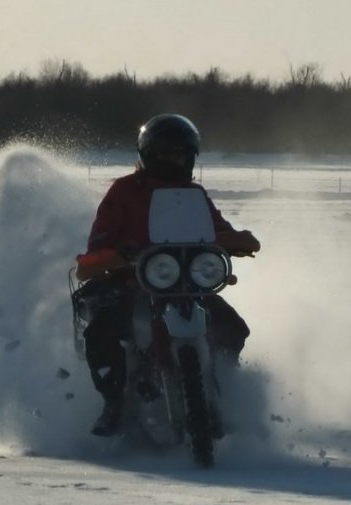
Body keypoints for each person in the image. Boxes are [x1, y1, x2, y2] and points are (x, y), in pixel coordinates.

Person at [75, 114, 261, 436]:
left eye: (178, 153)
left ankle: (219, 393)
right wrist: (116, 255)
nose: (171, 160)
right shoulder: (123, 192)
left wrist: (238, 240)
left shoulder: (194, 195)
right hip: (132, 282)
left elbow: (218, 229)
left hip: (185, 285)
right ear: (147, 155)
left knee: (233, 328)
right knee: (101, 331)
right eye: (163, 153)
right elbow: (99, 242)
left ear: (190, 157)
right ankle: (113, 402)